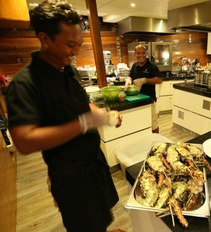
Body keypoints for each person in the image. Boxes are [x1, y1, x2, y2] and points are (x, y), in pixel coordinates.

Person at [6, 1, 124, 232]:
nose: (75, 51)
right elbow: (24, 140)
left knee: (100, 219)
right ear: (45, 38)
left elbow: (81, 103)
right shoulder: (25, 83)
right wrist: (83, 123)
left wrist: (101, 114)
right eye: (70, 44)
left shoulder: (68, 69)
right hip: (70, 177)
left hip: (94, 163)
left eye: (78, 44)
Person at [128, 44, 163, 133]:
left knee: (153, 124)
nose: (141, 55)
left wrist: (145, 80)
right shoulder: (134, 65)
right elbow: (130, 76)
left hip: (149, 100)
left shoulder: (152, 66)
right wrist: (128, 80)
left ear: (146, 54)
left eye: (143, 53)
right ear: (135, 54)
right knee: (142, 124)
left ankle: (156, 139)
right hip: (137, 100)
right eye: (138, 53)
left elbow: (159, 80)